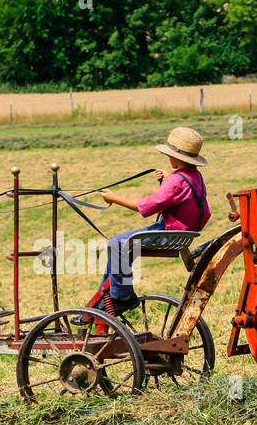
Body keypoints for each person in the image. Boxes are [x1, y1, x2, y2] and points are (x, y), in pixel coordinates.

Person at [88, 126, 211, 314]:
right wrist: (166, 181)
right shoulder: (194, 176)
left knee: (116, 243)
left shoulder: (176, 181)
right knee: (121, 253)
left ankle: (122, 297)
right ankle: (103, 301)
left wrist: (113, 199)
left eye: (169, 154)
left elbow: (145, 207)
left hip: (169, 233)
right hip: (184, 233)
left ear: (177, 157)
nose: (168, 158)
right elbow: (179, 199)